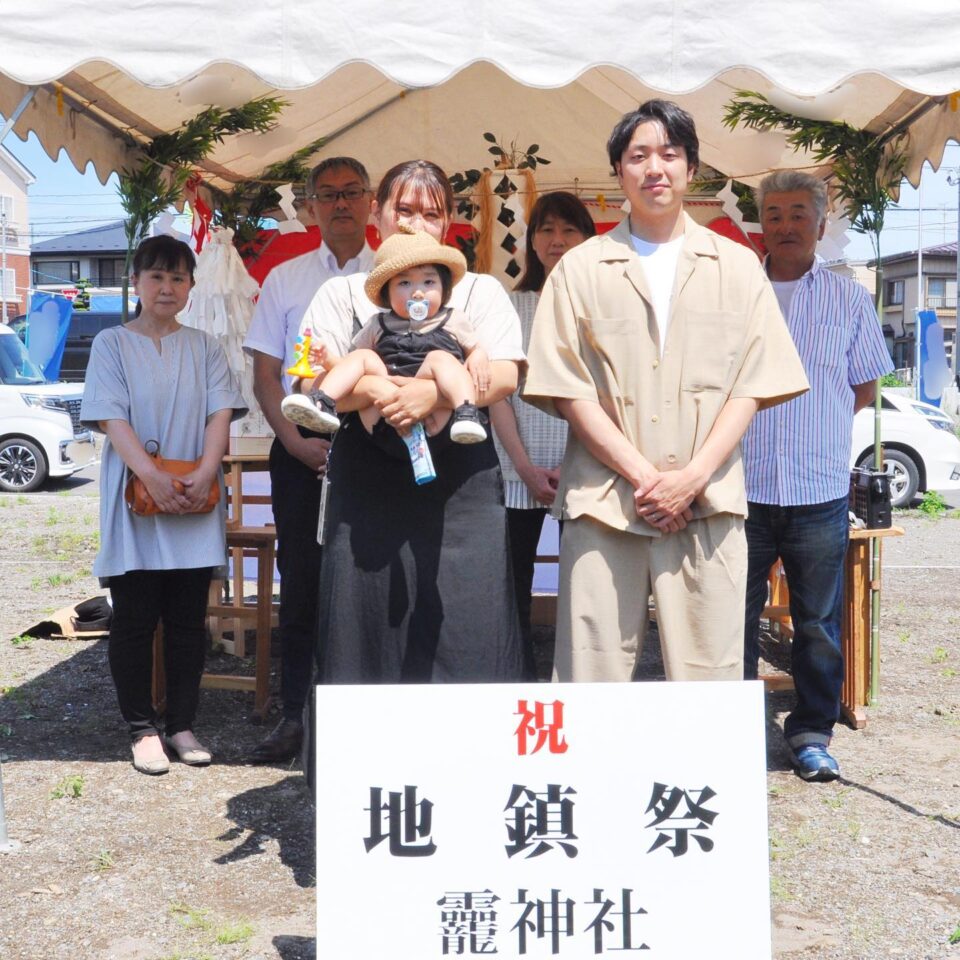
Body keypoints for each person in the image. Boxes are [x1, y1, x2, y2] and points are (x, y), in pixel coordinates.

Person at [523, 100, 809, 684]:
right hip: (603, 502)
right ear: (619, 171)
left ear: (691, 168)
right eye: (638, 156)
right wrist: (645, 477)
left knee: (712, 670)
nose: (655, 167)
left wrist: (691, 477)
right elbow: (570, 391)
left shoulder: (736, 265)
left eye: (669, 154)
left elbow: (751, 386)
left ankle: (700, 779)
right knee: (589, 671)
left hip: (706, 502)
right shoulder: (578, 269)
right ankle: (590, 778)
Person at [298, 159, 526, 682]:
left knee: (468, 627)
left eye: (431, 213)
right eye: (404, 210)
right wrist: (377, 388)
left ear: (448, 222)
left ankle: (474, 758)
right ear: (377, 213)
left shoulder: (479, 291)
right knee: (363, 628)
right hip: (367, 484)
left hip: (461, 482)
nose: (415, 224)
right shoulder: (340, 294)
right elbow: (308, 381)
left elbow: (509, 375)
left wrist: (432, 394)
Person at [742, 171, 893, 782]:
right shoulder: (736, 293)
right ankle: (726, 731)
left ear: (821, 224)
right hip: (741, 487)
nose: (784, 225)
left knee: (818, 627)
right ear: (761, 224)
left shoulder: (848, 297)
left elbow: (864, 387)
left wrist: (812, 428)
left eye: (797, 214)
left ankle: (809, 732)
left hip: (818, 489)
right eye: (773, 214)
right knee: (730, 617)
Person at [80, 235, 246, 775]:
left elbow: (219, 414)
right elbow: (111, 417)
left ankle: (180, 724)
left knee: (186, 620)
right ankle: (140, 729)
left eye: (178, 278)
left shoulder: (205, 347)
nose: (167, 287)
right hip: (135, 498)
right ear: (136, 283)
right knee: (133, 618)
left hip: (194, 497)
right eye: (156, 276)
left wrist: (204, 472)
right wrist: (150, 476)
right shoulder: (111, 343)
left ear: (191, 286)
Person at [242, 157, 374, 763]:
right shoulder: (287, 278)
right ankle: (296, 716)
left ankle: (368, 720)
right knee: (301, 585)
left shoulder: (399, 273)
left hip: (379, 454)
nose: (340, 204)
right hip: (299, 450)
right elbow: (266, 373)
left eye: (351, 193)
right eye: (328, 195)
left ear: (371, 201)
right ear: (312, 206)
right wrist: (293, 441)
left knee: (373, 583)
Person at [490, 191, 595, 677]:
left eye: (569, 230)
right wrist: (525, 468)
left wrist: (576, 463)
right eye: (547, 230)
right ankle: (516, 679)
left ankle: (578, 680)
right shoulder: (511, 307)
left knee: (589, 584)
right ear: (531, 242)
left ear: (587, 239)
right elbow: (497, 398)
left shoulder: (603, 308)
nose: (557, 241)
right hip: (519, 470)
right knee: (512, 584)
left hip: (588, 468)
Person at [281, 226, 490, 443]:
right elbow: (351, 366)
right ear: (386, 292)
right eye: (404, 283)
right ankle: (322, 402)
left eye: (429, 282)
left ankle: (467, 412)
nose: (417, 292)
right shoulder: (377, 324)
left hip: (436, 411)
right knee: (364, 356)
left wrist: (477, 356)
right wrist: (327, 360)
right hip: (384, 409)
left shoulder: (454, 319)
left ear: (444, 288)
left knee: (441, 358)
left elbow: (475, 347)